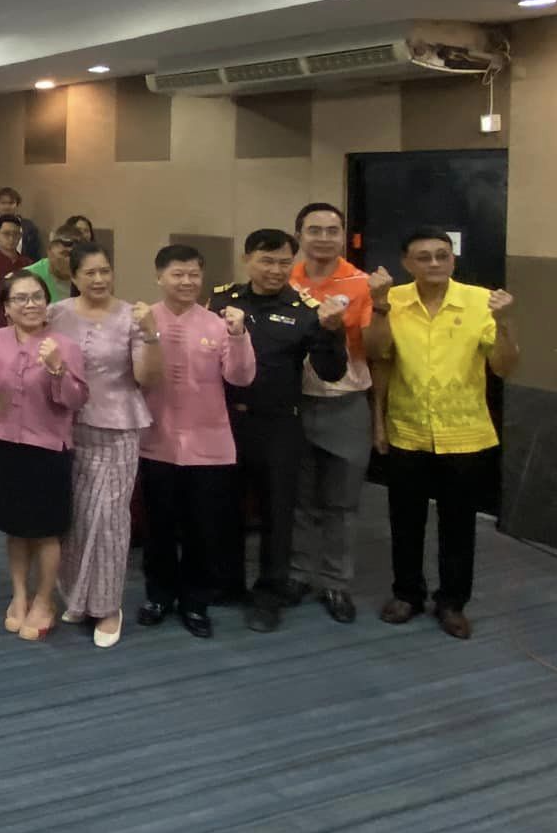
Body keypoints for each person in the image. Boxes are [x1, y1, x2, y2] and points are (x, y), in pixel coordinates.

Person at [371, 229, 518, 641]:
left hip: (464, 433)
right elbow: (378, 357)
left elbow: (505, 367)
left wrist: (505, 323)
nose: (434, 263)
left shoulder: (481, 301)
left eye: (442, 255)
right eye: (424, 257)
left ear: (453, 259)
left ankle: (452, 602)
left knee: (458, 524)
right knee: (405, 521)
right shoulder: (392, 300)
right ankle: (407, 594)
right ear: (407, 263)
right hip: (407, 428)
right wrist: (378, 420)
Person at [210, 229, 350, 633]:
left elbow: (331, 371)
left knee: (277, 513)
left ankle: (269, 594)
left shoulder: (306, 310)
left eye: (284, 262)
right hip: (225, 422)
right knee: (224, 507)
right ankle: (228, 584)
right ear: (247, 260)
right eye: (267, 261)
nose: (275, 270)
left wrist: (332, 331)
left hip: (278, 425)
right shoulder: (222, 301)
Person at [137, 244, 257, 640]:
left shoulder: (218, 324)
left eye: (194, 274)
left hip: (209, 447)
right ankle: (158, 595)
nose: (187, 281)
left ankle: (195, 601)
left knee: (203, 530)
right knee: (158, 527)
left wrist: (238, 335)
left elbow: (240, 377)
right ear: (159, 277)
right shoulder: (144, 319)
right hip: (156, 441)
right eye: (178, 274)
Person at [289, 202, 393, 624]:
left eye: (332, 230)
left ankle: (336, 581)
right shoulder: (284, 280)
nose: (323, 238)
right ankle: (297, 574)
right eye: (314, 230)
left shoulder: (363, 284)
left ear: (343, 236)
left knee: (342, 503)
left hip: (346, 403)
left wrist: (381, 303)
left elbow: (378, 350)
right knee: (298, 499)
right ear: (299, 235)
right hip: (294, 403)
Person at [51, 241, 158, 648]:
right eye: (90, 273)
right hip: (69, 426)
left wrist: (152, 335)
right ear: (74, 276)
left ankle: (109, 606)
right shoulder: (56, 313)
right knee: (77, 517)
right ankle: (78, 596)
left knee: (110, 518)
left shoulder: (132, 315)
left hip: (117, 427)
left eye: (105, 271)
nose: (99, 279)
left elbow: (147, 378)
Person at [0, 272, 89, 642]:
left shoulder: (65, 345)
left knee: (45, 531)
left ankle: (45, 600)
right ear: (6, 308)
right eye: (20, 298)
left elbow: (76, 400)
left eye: (37, 297)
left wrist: (58, 369)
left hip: (48, 447)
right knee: (14, 528)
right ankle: (19, 595)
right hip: (4, 444)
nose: (30, 304)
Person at [22, 226, 81, 304]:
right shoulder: (27, 276)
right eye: (64, 254)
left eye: (74, 254)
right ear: (49, 252)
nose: (69, 260)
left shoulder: (86, 276)